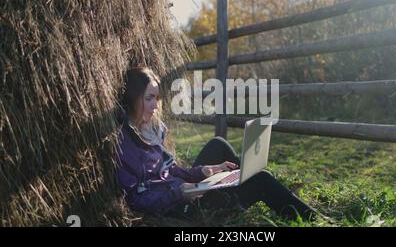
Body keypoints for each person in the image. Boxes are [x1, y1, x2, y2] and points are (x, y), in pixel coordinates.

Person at [116, 66, 320, 221]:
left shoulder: (150, 129)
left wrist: (203, 171)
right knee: (262, 180)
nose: (155, 105)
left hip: (185, 193)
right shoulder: (125, 145)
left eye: (157, 98)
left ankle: (242, 179)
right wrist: (178, 193)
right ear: (134, 99)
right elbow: (135, 199)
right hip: (179, 209)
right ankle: (314, 219)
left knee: (218, 144)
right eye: (149, 98)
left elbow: (171, 172)